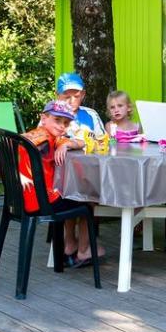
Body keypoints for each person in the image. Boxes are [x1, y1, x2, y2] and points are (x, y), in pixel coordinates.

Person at [20, 100, 97, 266]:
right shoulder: (44, 141)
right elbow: (45, 145)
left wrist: (66, 143)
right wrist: (64, 143)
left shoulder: (37, 136)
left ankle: (69, 246)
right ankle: (84, 251)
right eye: (57, 120)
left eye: (66, 123)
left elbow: (80, 142)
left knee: (69, 193)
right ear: (43, 118)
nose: (62, 126)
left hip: (20, 200)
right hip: (42, 202)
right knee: (87, 198)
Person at [54, 72, 107, 265]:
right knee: (86, 197)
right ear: (57, 95)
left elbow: (102, 141)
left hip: (87, 172)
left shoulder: (90, 114)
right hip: (59, 179)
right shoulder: (53, 116)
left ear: (83, 95)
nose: (71, 100)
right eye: (66, 95)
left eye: (76, 95)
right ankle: (82, 248)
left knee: (84, 189)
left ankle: (73, 245)